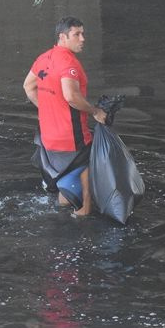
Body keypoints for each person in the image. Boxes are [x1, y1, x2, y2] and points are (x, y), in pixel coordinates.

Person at [23, 17, 108, 217]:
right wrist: (96, 112)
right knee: (85, 181)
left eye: (83, 33)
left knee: (65, 177)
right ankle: (82, 216)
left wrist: (48, 110)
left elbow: (28, 86)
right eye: (77, 34)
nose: (83, 39)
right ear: (63, 37)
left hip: (48, 137)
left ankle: (62, 214)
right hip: (70, 137)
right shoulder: (69, 62)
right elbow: (71, 96)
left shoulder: (43, 58)